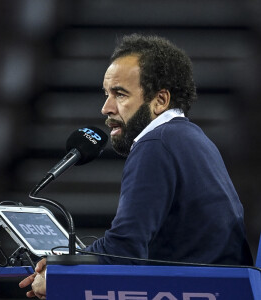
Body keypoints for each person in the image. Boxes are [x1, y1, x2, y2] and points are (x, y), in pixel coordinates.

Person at [19, 34, 253, 298]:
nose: (106, 108)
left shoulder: (156, 144)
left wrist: (60, 274)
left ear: (160, 101)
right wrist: (73, 260)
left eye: (120, 94)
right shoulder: (192, 138)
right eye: (106, 94)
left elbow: (124, 251)